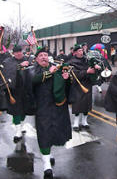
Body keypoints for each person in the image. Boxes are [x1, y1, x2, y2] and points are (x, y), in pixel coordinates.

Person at [30, 46, 72, 179]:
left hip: (57, 106)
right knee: (44, 132)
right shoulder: (32, 70)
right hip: (42, 106)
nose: (43, 57)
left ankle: (48, 153)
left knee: (54, 131)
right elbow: (33, 80)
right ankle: (46, 165)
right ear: (36, 59)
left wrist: (66, 79)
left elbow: (65, 86)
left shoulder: (56, 68)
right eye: (40, 55)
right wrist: (49, 72)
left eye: (45, 55)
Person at [2, 45, 31, 143]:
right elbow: (8, 72)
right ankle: (18, 131)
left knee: (24, 109)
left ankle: (21, 126)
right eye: (16, 52)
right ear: (13, 53)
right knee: (16, 110)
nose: (19, 53)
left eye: (20, 51)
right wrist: (19, 66)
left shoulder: (28, 59)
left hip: (26, 90)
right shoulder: (8, 62)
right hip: (14, 90)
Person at [68, 44, 97, 131]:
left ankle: (84, 121)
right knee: (77, 104)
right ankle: (76, 122)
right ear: (75, 52)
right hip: (78, 85)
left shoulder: (87, 59)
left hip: (87, 84)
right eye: (79, 51)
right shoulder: (71, 62)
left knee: (87, 103)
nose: (81, 52)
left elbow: (93, 67)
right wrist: (86, 72)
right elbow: (74, 74)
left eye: (82, 50)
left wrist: (96, 67)